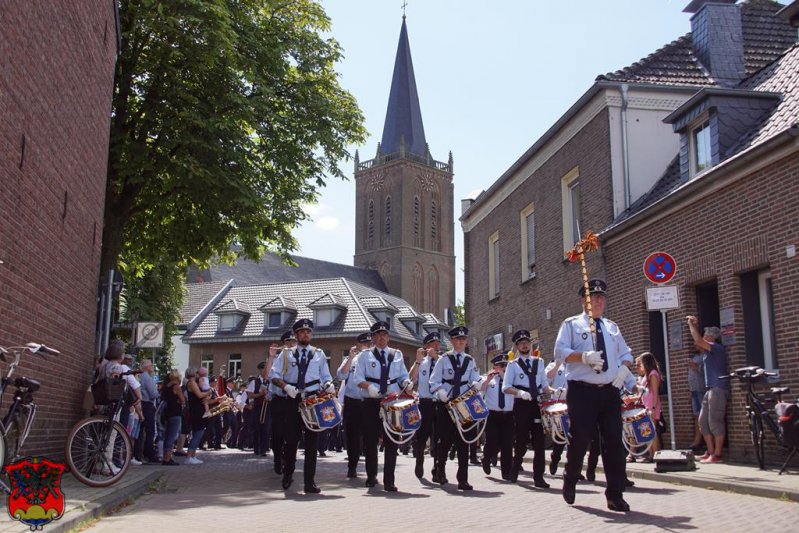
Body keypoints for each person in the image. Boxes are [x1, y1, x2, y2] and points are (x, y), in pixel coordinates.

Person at [554, 279, 634, 513]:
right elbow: (560, 353)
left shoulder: (611, 327)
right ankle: (570, 478)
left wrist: (624, 369)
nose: (598, 301)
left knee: (613, 443)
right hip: (582, 391)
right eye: (593, 297)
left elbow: (626, 353)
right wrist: (584, 357)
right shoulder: (571, 325)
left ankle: (615, 495)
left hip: (609, 391)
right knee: (581, 439)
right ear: (583, 300)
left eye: (602, 297)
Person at [270, 318, 334, 494]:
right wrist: (285, 386)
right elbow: (273, 375)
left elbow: (326, 375)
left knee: (313, 442)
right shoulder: (286, 354)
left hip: (313, 399)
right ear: (296, 335)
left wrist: (329, 384)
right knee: (291, 440)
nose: (305, 334)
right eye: (302, 332)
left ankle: (309, 482)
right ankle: (288, 474)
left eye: (308, 332)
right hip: (293, 397)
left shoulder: (319, 354)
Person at [353, 321, 413, 492]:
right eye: (378, 335)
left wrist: (407, 383)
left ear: (388, 337)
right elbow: (357, 378)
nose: (381, 338)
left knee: (391, 441)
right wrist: (369, 387)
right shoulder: (365, 356)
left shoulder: (397, 354)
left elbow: (402, 375)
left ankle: (389, 480)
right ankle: (371, 477)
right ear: (372, 338)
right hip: (371, 402)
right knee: (370, 440)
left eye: (384, 335)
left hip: (391, 402)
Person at [430, 325, 481, 491]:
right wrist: (440, 391)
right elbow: (433, 381)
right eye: (458, 339)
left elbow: (474, 379)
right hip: (446, 403)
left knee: (463, 441)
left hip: (463, 404)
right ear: (452, 341)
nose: (461, 342)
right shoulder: (443, 359)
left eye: (463, 339)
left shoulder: (470, 360)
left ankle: (463, 479)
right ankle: (441, 471)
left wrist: (476, 383)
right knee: (444, 440)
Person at [503, 329, 550, 488]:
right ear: (517, 346)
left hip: (536, 404)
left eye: (527, 342)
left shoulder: (539, 362)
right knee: (521, 441)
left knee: (539, 443)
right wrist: (520, 393)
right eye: (521, 343)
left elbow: (544, 385)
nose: (525, 345)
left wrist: (555, 393)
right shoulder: (513, 365)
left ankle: (539, 477)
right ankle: (515, 469)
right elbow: (506, 387)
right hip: (522, 405)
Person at [687, 316, 728, 464]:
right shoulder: (707, 353)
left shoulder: (716, 348)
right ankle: (710, 452)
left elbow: (698, 341)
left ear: (711, 337)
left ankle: (717, 454)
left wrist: (691, 325)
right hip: (709, 388)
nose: (703, 337)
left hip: (718, 388)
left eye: (705, 335)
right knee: (703, 421)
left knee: (715, 421)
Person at [337, 331, 372, 478]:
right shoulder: (352, 359)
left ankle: (371, 472)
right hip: (353, 401)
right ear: (358, 345)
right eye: (364, 344)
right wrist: (350, 358)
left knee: (370, 437)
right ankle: (352, 466)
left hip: (369, 402)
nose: (366, 346)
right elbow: (340, 375)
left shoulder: (374, 359)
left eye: (369, 344)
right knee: (352, 437)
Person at [409, 331, 441, 479]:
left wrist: (436, 357)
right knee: (422, 435)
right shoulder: (422, 362)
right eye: (432, 343)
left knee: (439, 436)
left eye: (437, 343)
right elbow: (411, 379)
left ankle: (437, 468)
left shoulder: (442, 360)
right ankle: (420, 460)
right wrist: (417, 361)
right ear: (426, 346)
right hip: (425, 402)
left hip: (440, 402)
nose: (436, 345)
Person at [481, 352, 514, 480]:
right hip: (492, 415)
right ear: (494, 366)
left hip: (508, 415)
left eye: (504, 365)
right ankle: (486, 457)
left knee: (507, 444)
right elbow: (480, 390)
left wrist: (503, 375)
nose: (502, 368)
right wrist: (488, 379)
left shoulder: (510, 379)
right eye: (500, 365)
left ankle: (506, 472)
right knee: (492, 441)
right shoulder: (488, 379)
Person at [270, 330, 297, 470]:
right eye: (288, 342)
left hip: (293, 400)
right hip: (279, 399)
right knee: (278, 433)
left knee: (292, 432)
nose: (291, 344)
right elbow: (271, 376)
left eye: (293, 341)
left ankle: (289, 459)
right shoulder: (280, 357)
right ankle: (277, 458)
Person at [248, 344, 279, 457]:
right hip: (257, 407)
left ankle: (263, 449)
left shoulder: (271, 381)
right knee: (256, 428)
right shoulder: (254, 382)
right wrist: (260, 394)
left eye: (268, 368)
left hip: (268, 407)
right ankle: (256, 448)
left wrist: (270, 396)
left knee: (266, 429)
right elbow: (250, 395)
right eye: (265, 368)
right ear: (261, 370)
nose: (267, 370)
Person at [636, 352, 662, 462]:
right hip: (645, 406)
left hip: (651, 406)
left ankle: (655, 455)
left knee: (652, 431)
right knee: (647, 431)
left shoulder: (653, 374)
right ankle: (650, 455)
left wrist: (654, 408)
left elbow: (655, 392)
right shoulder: (646, 375)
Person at [545, 358, 568, 475]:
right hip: (557, 406)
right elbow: (545, 382)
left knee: (576, 438)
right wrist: (555, 391)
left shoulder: (576, 365)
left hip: (574, 404)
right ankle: (555, 459)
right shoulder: (553, 365)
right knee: (560, 437)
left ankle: (571, 467)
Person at [134, 359, 159, 464]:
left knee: (140, 431)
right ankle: (149, 454)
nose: (152, 367)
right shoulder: (147, 378)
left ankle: (138, 454)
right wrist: (158, 393)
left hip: (142, 404)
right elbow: (153, 394)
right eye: (151, 365)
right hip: (147, 404)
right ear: (147, 367)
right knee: (150, 431)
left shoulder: (140, 377)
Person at [185, 367, 210, 465]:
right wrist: (208, 392)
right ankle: (189, 456)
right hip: (196, 411)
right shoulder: (191, 383)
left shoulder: (194, 382)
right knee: (198, 433)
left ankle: (193, 455)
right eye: (196, 373)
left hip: (198, 409)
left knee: (198, 433)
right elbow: (199, 395)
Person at [160, 369, 185, 466]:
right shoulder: (176, 387)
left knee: (167, 436)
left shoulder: (166, 386)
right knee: (172, 436)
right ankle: (167, 458)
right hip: (175, 413)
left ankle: (165, 457)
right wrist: (180, 401)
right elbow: (182, 400)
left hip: (167, 413)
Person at [687, 352, 707, 451]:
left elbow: (708, 372)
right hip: (694, 390)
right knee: (696, 416)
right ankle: (697, 440)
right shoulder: (695, 356)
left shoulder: (706, 356)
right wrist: (690, 390)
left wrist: (697, 367)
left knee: (704, 415)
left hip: (701, 389)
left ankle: (707, 442)